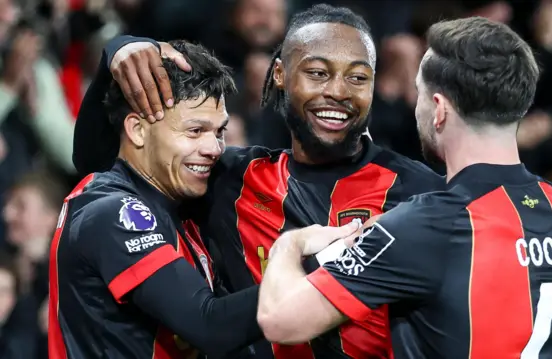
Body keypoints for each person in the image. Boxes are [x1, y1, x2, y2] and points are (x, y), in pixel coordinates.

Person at [71, 4, 445, 358]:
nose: (338, 91)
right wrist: (119, 53)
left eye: (358, 77)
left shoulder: (420, 195)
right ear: (280, 74)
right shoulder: (228, 178)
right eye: (317, 72)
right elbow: (106, 163)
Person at [256, 17, 552, 359]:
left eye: (419, 94)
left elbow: (279, 320)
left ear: (439, 110)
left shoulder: (426, 225)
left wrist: (291, 242)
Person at [49, 40, 271, 359]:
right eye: (195, 131)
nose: (214, 148)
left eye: (219, 132)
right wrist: (326, 273)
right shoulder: (113, 211)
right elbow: (208, 324)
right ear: (138, 130)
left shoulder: (178, 205)